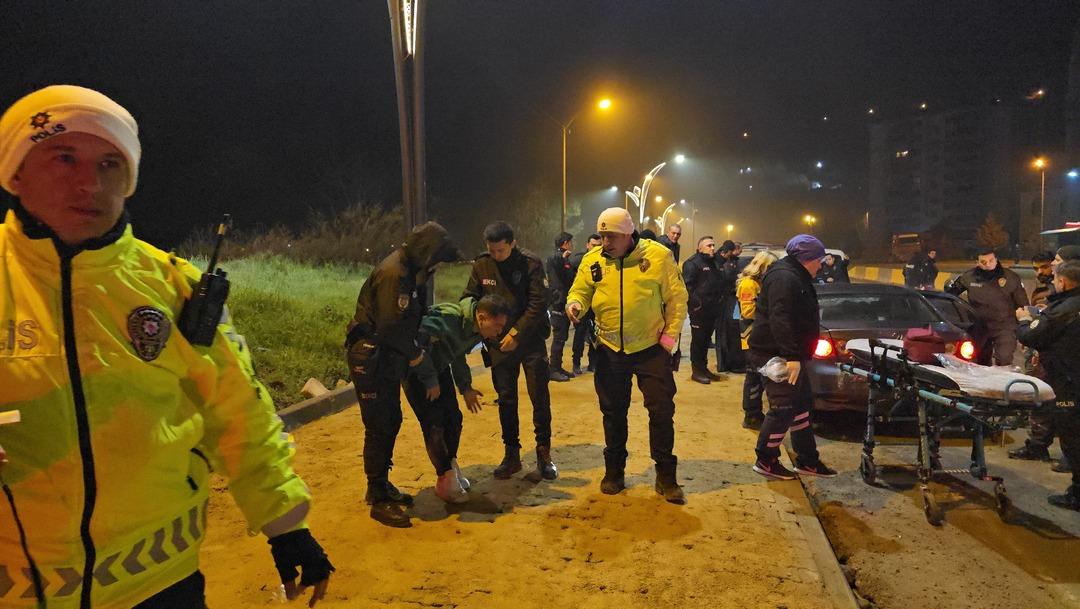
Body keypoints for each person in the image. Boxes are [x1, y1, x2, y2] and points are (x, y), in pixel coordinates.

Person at [0, 85, 333, 608]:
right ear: (16, 171)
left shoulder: (176, 287)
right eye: (64, 157)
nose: (90, 182)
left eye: (111, 163)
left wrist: (286, 526)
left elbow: (238, 407)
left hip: (162, 583)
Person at [566, 208, 689, 503]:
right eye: (603, 235)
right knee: (612, 412)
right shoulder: (592, 260)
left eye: (612, 237)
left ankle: (666, 475)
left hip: (651, 349)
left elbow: (676, 299)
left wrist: (668, 341)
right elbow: (580, 291)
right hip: (609, 350)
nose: (605, 242)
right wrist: (575, 306)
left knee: (661, 411)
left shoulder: (658, 257)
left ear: (628, 234)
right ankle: (614, 471)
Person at [346, 220, 463, 527]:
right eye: (436, 259)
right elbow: (389, 326)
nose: (437, 266)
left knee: (390, 420)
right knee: (380, 424)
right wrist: (415, 354)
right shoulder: (395, 274)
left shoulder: (410, 272)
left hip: (385, 359)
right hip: (371, 357)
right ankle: (377, 495)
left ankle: (382, 485)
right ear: (427, 252)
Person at [463, 222, 557, 480]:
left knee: (539, 396)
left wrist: (516, 333)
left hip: (529, 341)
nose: (496, 255)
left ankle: (543, 453)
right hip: (498, 344)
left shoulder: (530, 264)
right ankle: (511, 453)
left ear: (512, 244)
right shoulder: (482, 265)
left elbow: (539, 302)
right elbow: (470, 297)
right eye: (492, 250)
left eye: (501, 250)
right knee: (506, 399)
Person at [406, 295, 512, 503]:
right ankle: (444, 477)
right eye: (497, 325)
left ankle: (450, 465)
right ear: (481, 317)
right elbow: (414, 345)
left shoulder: (473, 328)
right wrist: (429, 379)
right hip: (417, 371)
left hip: (439, 367)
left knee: (454, 418)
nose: (499, 331)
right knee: (434, 423)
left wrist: (466, 388)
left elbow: (457, 353)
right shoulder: (447, 319)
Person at [748, 234, 837, 480]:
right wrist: (792, 356)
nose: (821, 265)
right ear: (807, 259)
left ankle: (807, 460)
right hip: (776, 356)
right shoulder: (784, 277)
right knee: (783, 408)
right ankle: (765, 460)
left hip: (790, 354)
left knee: (800, 406)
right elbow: (780, 318)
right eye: (819, 260)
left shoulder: (794, 274)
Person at [1015, 260, 1080, 511]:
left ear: (1063, 281)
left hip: (1069, 382)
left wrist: (1024, 320)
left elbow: (1032, 335)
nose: (1053, 281)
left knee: (1073, 438)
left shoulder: (1064, 309)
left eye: (1055, 277)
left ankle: (1077, 493)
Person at [945, 249, 1028, 366]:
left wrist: (1025, 328)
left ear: (996, 259)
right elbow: (950, 295)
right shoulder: (969, 277)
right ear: (977, 262)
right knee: (979, 361)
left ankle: (1003, 382)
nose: (988, 264)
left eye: (991, 260)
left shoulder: (1010, 277)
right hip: (979, 327)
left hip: (1005, 326)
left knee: (1004, 358)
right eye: (983, 262)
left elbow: (1023, 304)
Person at [736, 251, 779, 430]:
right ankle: (752, 415)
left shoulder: (758, 283)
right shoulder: (748, 284)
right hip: (751, 337)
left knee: (757, 376)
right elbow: (747, 312)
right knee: (753, 378)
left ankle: (754, 413)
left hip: (757, 336)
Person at [682, 236, 725, 384]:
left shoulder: (714, 262)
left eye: (713, 245)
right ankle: (697, 371)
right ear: (700, 248)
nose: (712, 248)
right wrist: (696, 304)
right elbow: (687, 288)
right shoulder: (692, 263)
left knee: (706, 340)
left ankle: (704, 368)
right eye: (709, 245)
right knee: (698, 341)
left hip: (712, 309)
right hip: (699, 311)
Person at [569, 233, 601, 375]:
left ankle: (593, 363)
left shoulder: (605, 260)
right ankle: (576, 362)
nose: (596, 248)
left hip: (597, 305)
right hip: (583, 304)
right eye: (593, 245)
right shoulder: (580, 260)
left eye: (599, 246)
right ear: (588, 245)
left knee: (596, 334)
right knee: (580, 334)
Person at [545, 231, 576, 381]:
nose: (571, 245)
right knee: (558, 337)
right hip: (558, 303)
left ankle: (557, 366)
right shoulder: (555, 257)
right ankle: (553, 369)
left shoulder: (565, 259)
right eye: (570, 242)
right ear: (565, 243)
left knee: (562, 337)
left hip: (564, 301)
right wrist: (562, 257)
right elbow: (555, 260)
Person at [715, 240, 744, 373]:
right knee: (726, 332)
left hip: (732, 301)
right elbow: (726, 280)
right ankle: (727, 363)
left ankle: (732, 362)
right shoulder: (724, 263)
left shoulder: (733, 262)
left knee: (732, 331)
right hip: (726, 302)